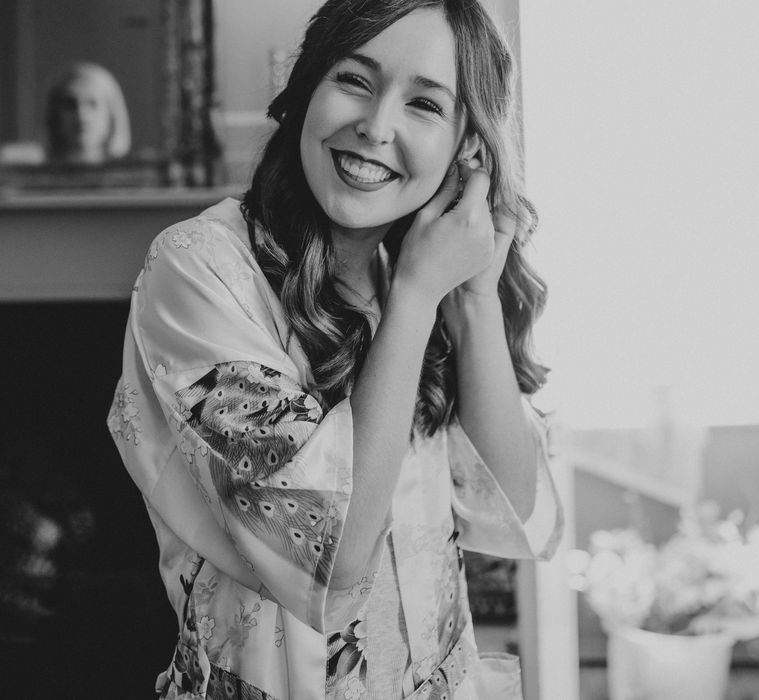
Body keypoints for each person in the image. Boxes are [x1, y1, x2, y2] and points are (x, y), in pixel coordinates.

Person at [108, 1, 563, 697]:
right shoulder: (198, 269)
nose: (376, 127)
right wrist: (414, 298)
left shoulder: (422, 263)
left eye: (424, 104)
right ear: (307, 90)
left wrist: (471, 299)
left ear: (468, 144)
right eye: (355, 80)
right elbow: (332, 557)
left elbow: (516, 511)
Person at [45, 62, 131, 165]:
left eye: (92, 104)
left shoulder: (135, 176)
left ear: (111, 115)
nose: (81, 114)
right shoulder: (33, 177)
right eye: (70, 104)